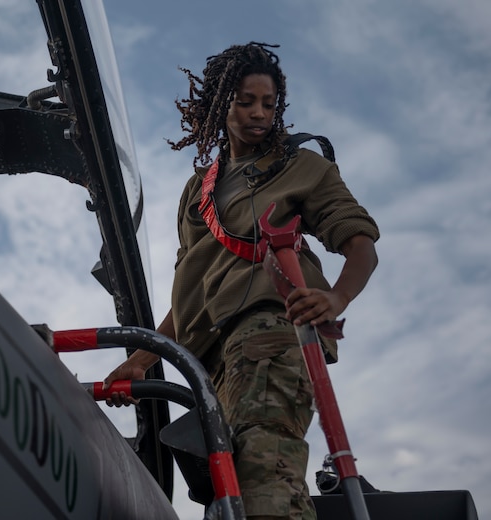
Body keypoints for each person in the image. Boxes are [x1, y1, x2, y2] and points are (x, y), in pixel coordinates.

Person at [102, 42, 379, 519]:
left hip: (270, 332)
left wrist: (335, 297)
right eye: (246, 101)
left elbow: (361, 247)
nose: (258, 113)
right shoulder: (198, 193)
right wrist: (143, 360)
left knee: (261, 472)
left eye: (268, 104)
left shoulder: (301, 167)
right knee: (234, 494)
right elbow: (191, 295)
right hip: (213, 360)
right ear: (219, 105)